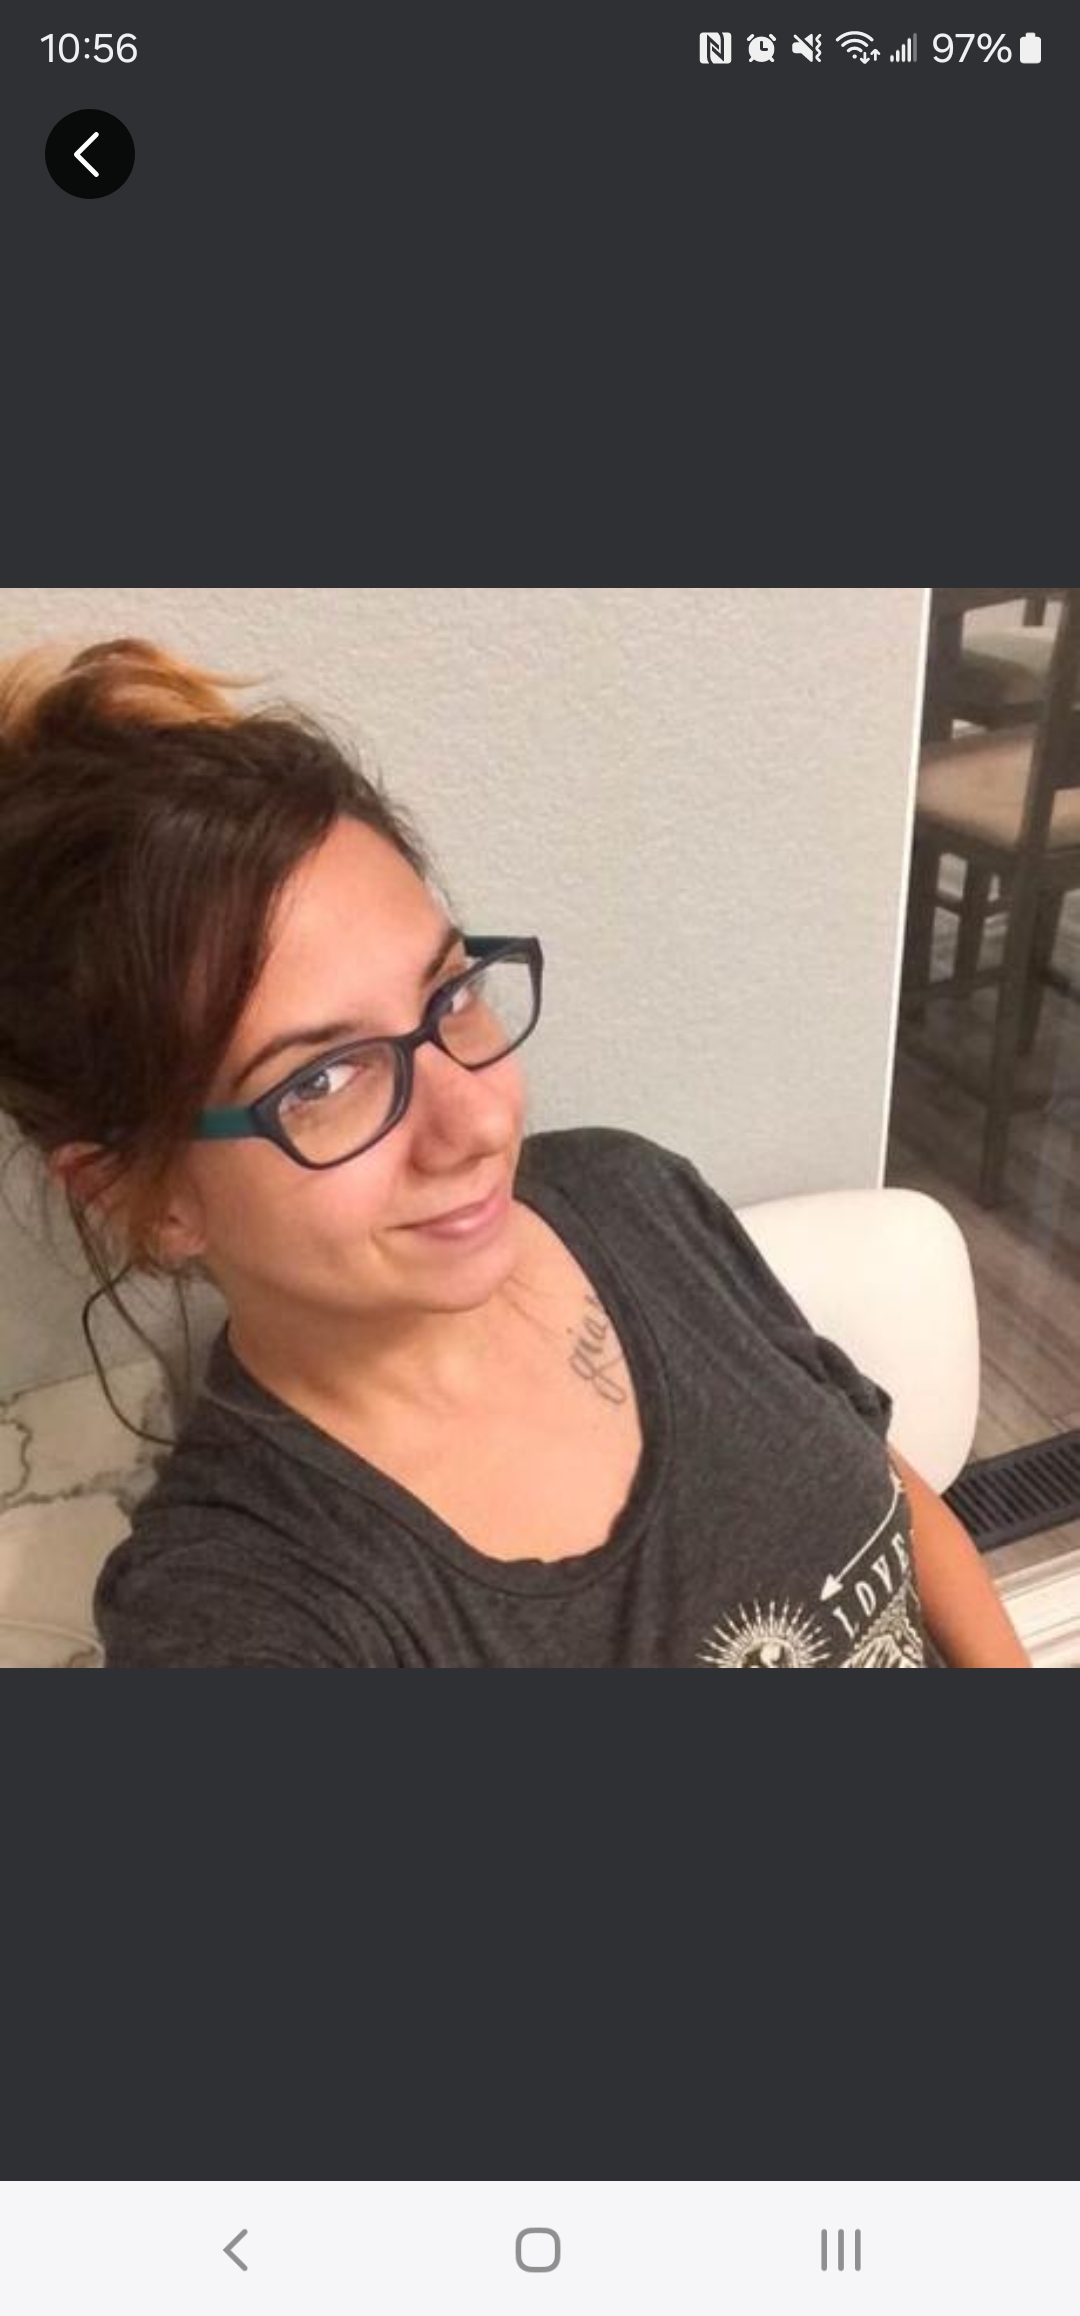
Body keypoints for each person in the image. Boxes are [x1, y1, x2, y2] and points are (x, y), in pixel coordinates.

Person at [0, 636, 1029, 1668]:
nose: (479, 1122)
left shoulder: (632, 1194)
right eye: (319, 1081)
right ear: (142, 1199)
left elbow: (881, 1479)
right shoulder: (240, 1610)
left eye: (450, 995)